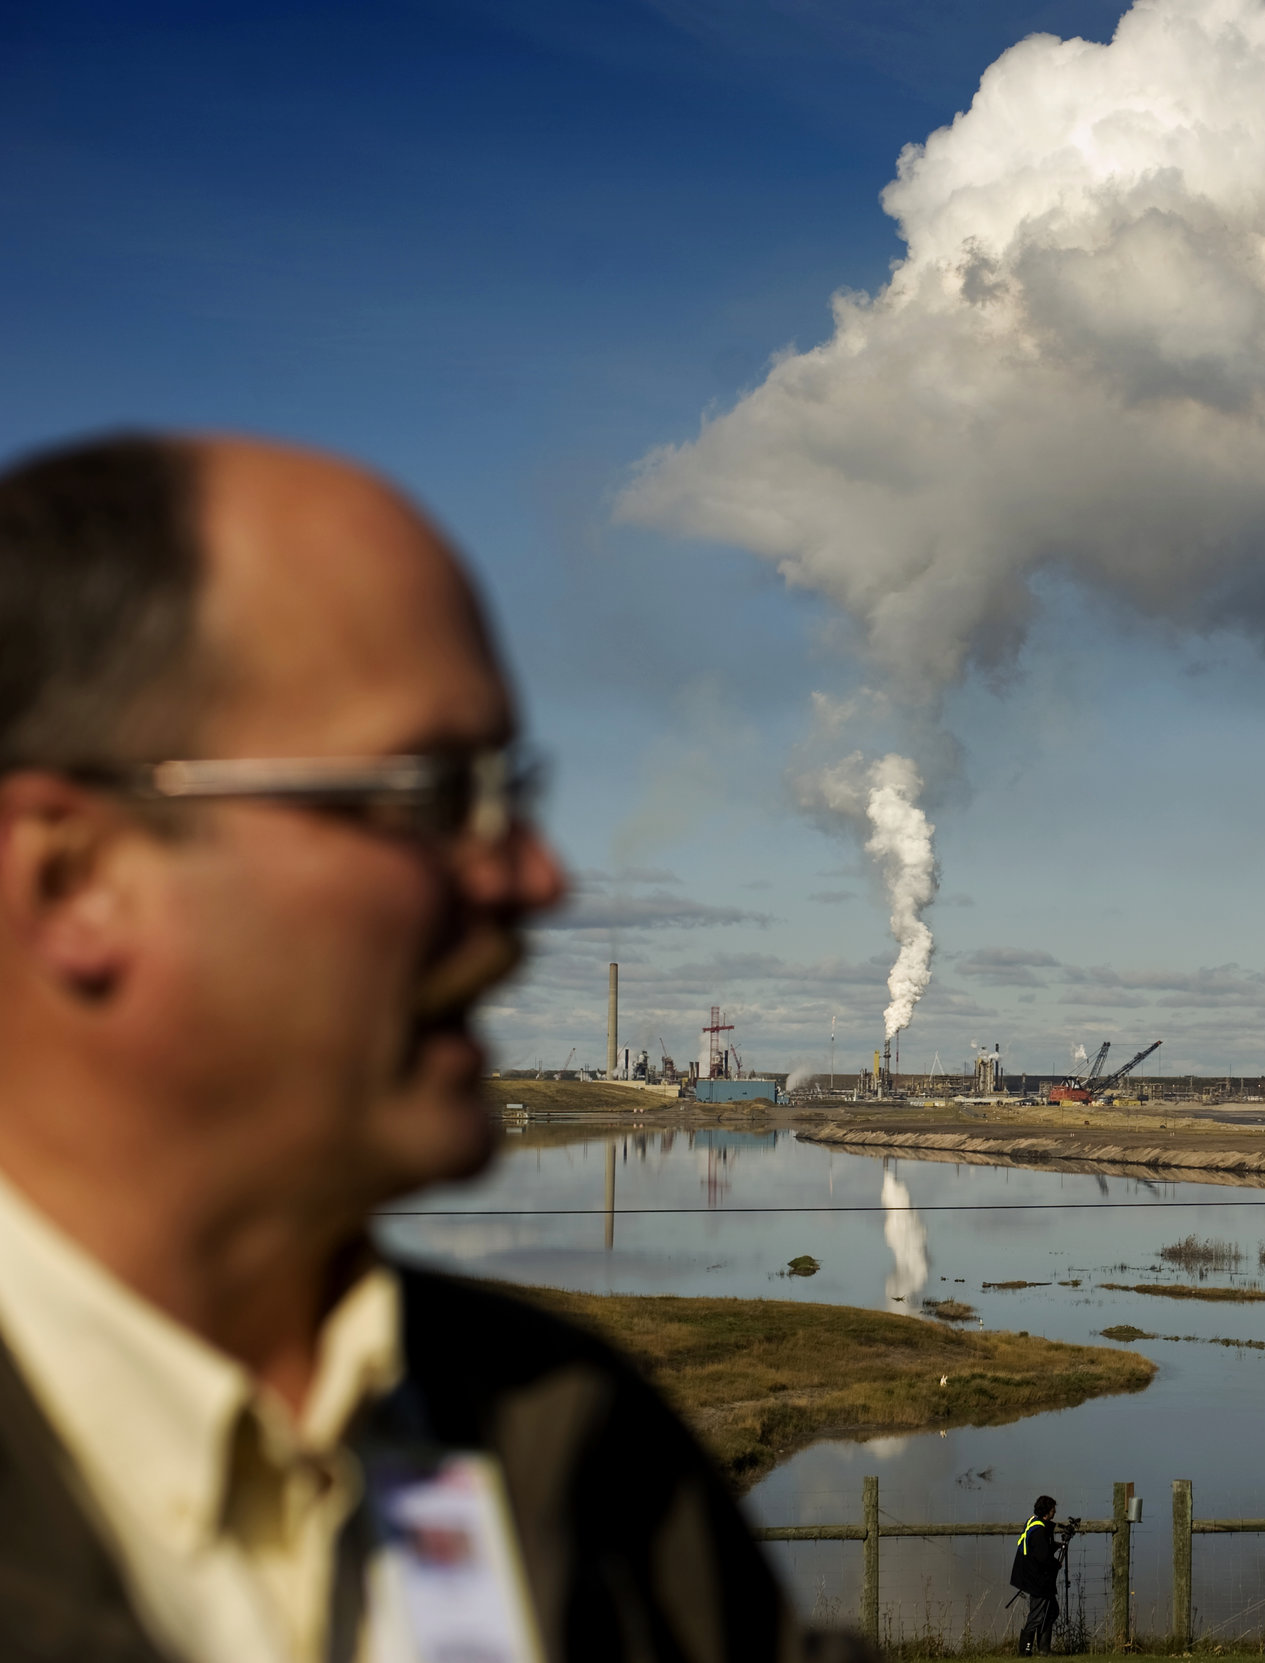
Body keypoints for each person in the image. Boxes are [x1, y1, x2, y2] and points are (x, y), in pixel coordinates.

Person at [0, 433, 837, 1662]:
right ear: (77, 877)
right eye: (430, 797)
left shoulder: (564, 1434)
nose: (535, 878)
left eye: (514, 792)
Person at [1010, 1495, 1065, 1656]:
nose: (1055, 1511)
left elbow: (1041, 1548)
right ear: (1047, 1511)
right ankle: (1025, 1652)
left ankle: (1044, 1649)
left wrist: (1057, 1545)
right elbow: (1043, 1556)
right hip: (1036, 1579)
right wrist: (1057, 1564)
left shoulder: (1033, 1522)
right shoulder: (1040, 1530)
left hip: (1030, 1575)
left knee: (1051, 1610)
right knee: (1037, 1614)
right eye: (1053, 1508)